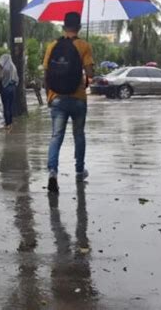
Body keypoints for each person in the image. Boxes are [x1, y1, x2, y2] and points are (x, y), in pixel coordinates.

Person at [43, 12, 94, 192]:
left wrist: (49, 96)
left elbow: (46, 73)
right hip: (78, 98)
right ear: (79, 27)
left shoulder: (52, 46)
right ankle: (80, 171)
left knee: (56, 136)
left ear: (64, 27)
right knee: (79, 135)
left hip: (56, 98)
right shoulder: (83, 45)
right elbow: (90, 74)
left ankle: (52, 172)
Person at [0, 54, 18, 131]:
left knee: (6, 106)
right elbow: (17, 79)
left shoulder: (4, 68)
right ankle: (10, 123)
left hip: (5, 88)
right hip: (13, 87)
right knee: (11, 106)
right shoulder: (13, 67)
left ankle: (7, 123)